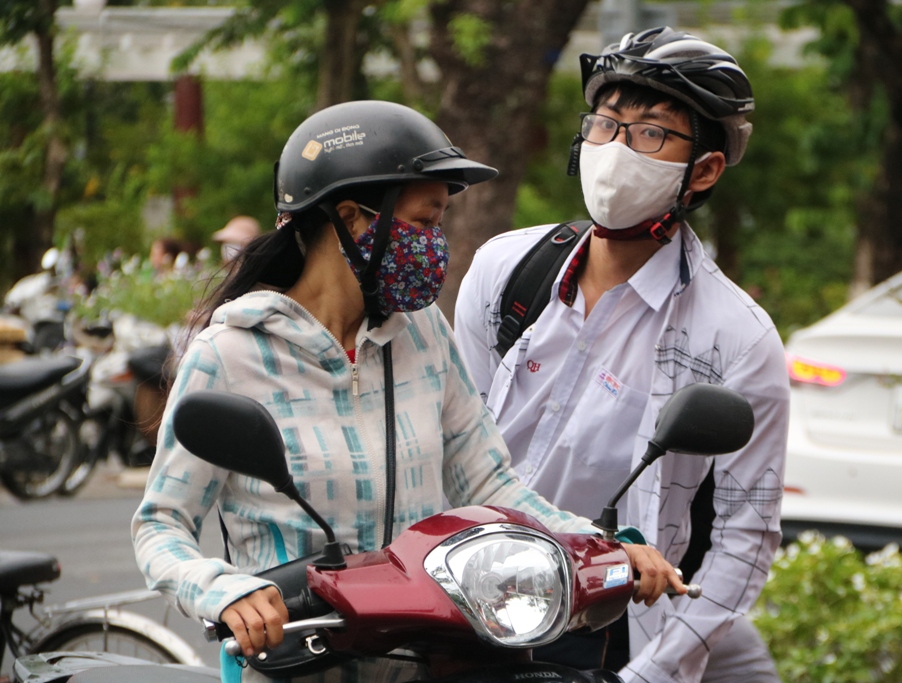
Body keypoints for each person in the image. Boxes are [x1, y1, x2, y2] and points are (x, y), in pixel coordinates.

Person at [131, 100, 684, 683]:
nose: (435, 244)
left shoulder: (422, 333)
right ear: (351, 219)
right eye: (423, 223)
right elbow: (161, 525)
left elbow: (489, 482)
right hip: (302, 664)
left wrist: (597, 543)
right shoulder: (230, 354)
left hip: (432, 663)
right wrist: (223, 591)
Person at [454, 27, 789, 683]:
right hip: (462, 597)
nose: (615, 149)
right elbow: (454, 446)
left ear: (705, 170)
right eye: (606, 124)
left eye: (651, 133)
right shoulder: (505, 269)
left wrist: (652, 673)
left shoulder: (737, 337)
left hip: (602, 632)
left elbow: (745, 540)